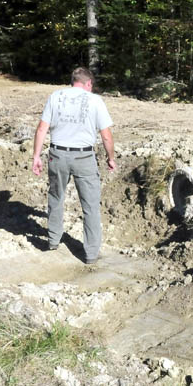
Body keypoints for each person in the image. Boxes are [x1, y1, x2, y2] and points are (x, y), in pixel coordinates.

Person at [31, 67, 116, 264]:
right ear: (88, 84)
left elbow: (42, 128)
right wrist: (111, 158)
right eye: (91, 86)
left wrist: (36, 156)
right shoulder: (95, 100)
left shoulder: (55, 96)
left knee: (56, 197)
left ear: (73, 81)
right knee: (90, 206)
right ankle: (91, 254)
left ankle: (53, 241)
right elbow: (106, 135)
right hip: (83, 157)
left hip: (57, 155)